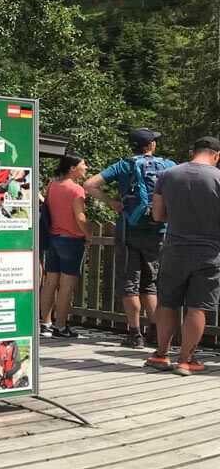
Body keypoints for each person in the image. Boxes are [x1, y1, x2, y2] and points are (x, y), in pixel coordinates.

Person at [84, 128, 175, 348]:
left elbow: (89, 184)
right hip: (158, 231)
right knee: (150, 284)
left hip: (128, 230)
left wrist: (111, 202)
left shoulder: (123, 166)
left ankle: (135, 335)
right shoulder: (169, 166)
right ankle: (155, 332)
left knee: (130, 284)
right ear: (151, 145)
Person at [144, 137, 220, 376]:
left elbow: (157, 215)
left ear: (193, 151)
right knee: (197, 307)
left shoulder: (169, 174)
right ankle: (186, 361)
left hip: (174, 249)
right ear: (217, 155)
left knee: (168, 303)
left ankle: (161, 354)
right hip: (209, 253)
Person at [39, 154, 90, 339]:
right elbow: (80, 217)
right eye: (83, 165)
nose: (86, 168)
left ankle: (45, 324)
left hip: (53, 238)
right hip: (71, 240)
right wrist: (89, 233)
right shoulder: (77, 190)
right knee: (66, 286)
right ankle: (60, 327)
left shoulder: (52, 184)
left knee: (51, 281)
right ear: (72, 168)